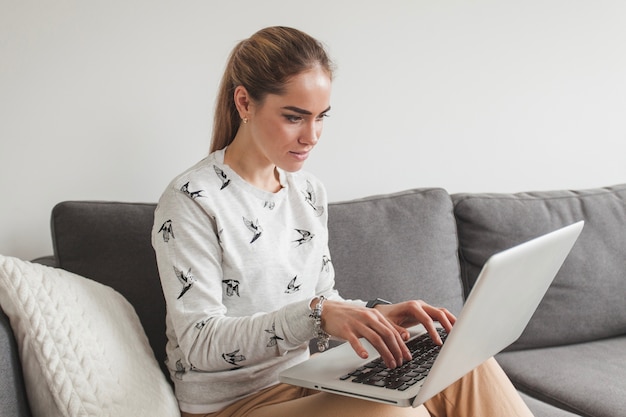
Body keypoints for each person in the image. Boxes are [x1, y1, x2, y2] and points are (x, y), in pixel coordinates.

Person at [152, 26, 534, 417]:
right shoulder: (191, 200)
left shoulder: (309, 192)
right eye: (294, 117)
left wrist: (377, 316)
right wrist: (318, 314)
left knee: (461, 359)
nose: (312, 135)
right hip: (232, 405)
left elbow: (323, 300)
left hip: (302, 382)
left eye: (321, 117)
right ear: (245, 103)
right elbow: (200, 342)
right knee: (400, 413)